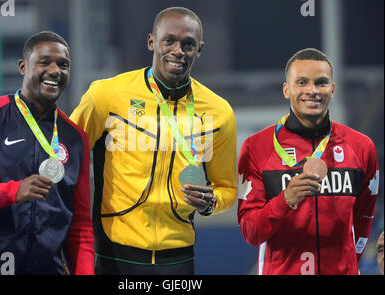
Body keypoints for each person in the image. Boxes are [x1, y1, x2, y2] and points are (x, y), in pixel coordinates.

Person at [70, 7, 237, 275]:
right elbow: (66, 155)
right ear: (151, 42)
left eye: (188, 44)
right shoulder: (106, 95)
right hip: (114, 250)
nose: (178, 50)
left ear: (199, 49)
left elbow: (227, 189)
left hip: (178, 256)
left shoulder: (219, 112)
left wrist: (210, 202)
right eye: (169, 40)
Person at [0, 31, 94, 275]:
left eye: (63, 65)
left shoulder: (76, 138)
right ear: (23, 67)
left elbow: (80, 225)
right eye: (45, 62)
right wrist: (12, 191)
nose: (55, 71)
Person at [237, 48, 379, 275]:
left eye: (321, 83)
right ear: (286, 89)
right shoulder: (256, 147)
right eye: (301, 82)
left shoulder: (361, 147)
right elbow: (250, 232)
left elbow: (364, 219)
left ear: (332, 89)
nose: (312, 91)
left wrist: (347, 264)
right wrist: (285, 200)